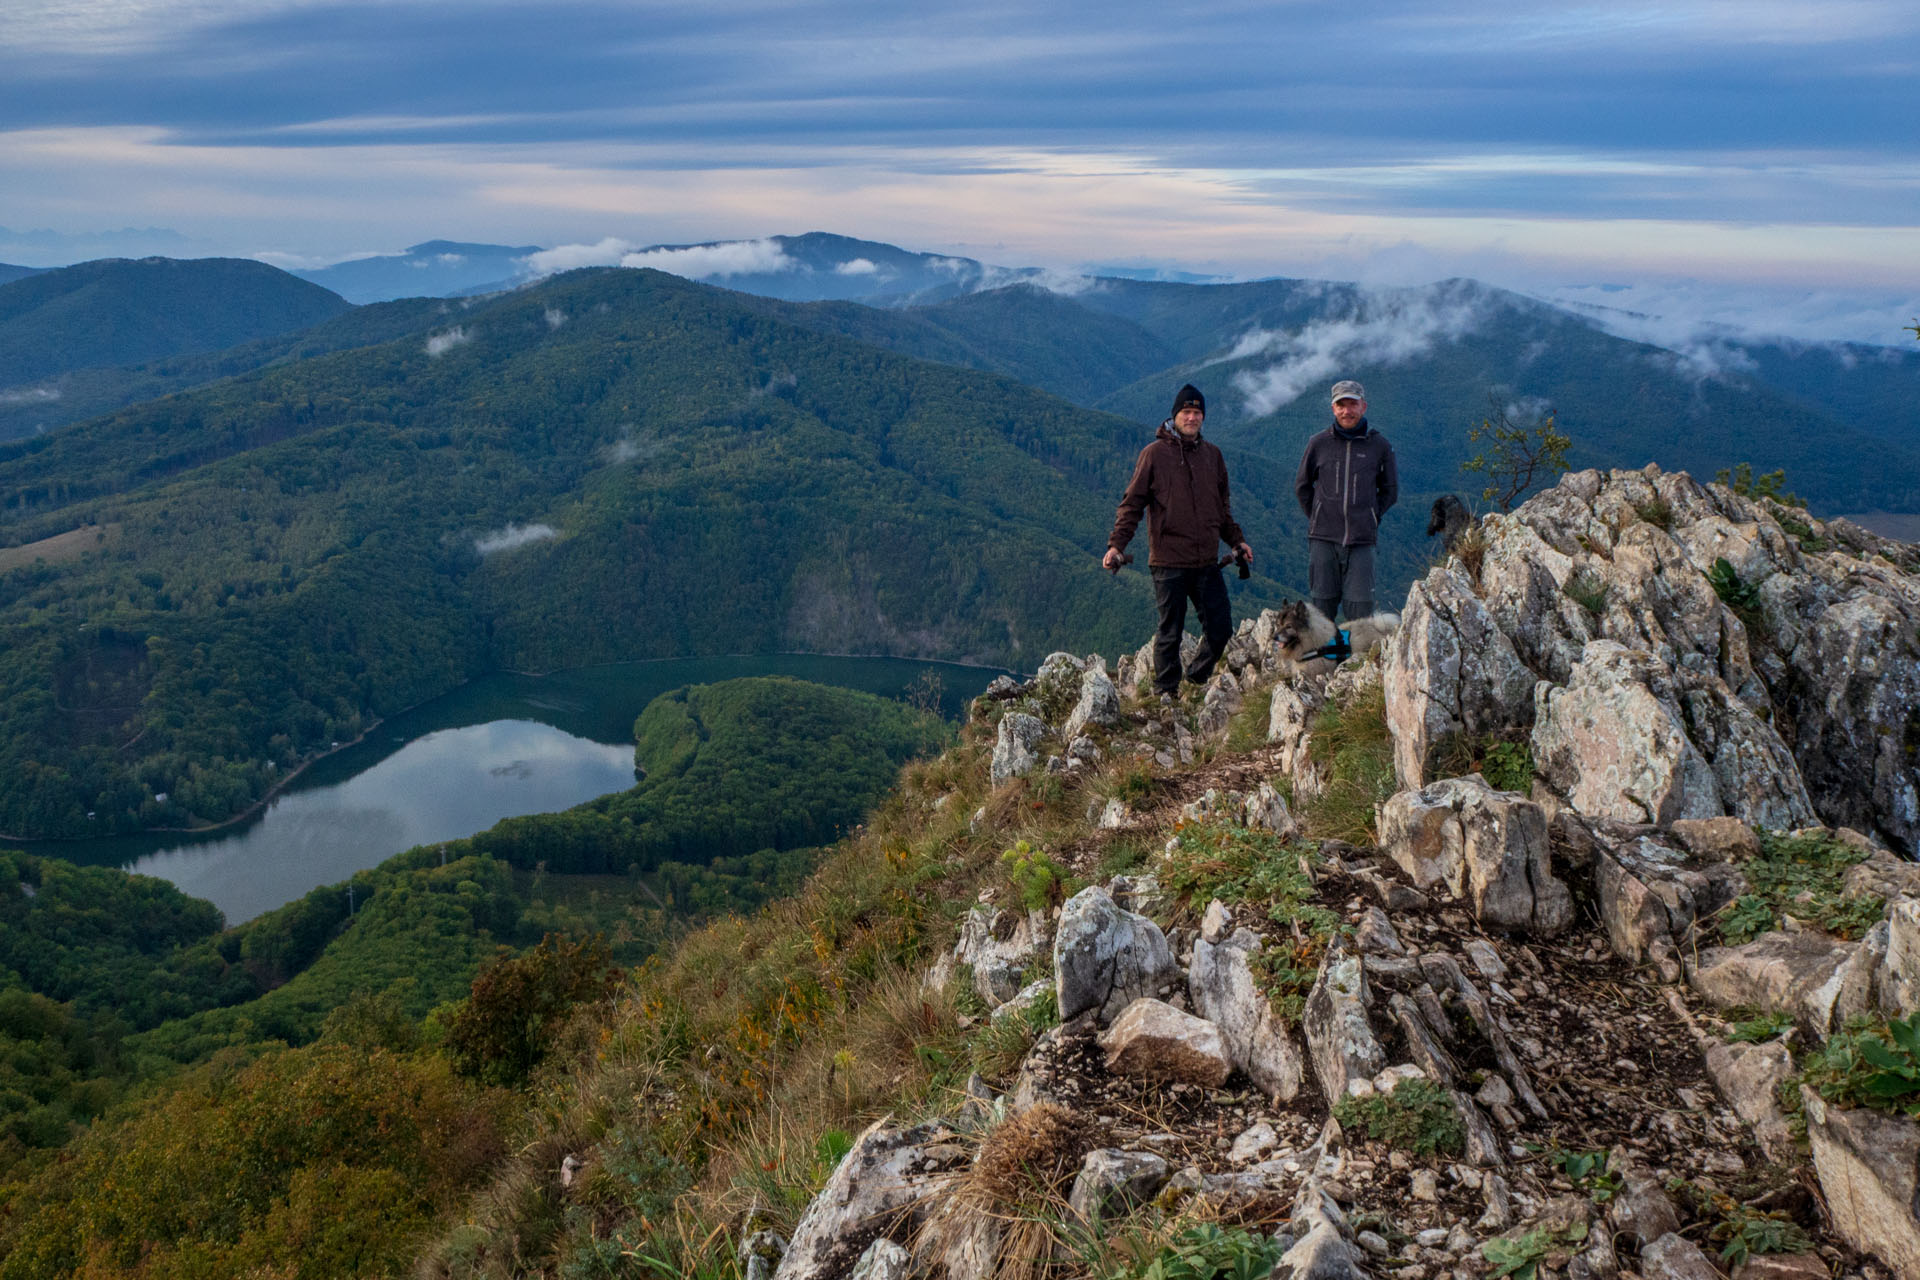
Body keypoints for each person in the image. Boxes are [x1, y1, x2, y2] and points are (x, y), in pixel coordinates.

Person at [1104, 384, 1253, 698]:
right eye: (1186, 412)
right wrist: (1117, 545)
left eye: (1198, 412)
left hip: (1206, 561)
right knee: (1170, 631)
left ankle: (1196, 680)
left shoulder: (1212, 456)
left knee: (1221, 626)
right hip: (1168, 560)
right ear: (1175, 416)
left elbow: (1221, 509)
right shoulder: (1154, 455)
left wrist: (1237, 542)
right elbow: (1132, 504)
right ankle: (1165, 692)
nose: (1192, 417)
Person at [1294, 379, 1397, 622]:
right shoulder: (1318, 443)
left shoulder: (1379, 446)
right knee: (1321, 610)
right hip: (1323, 540)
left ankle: (1357, 661)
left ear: (1364, 406)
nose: (1346, 411)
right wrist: (1318, 515)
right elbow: (1302, 486)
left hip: (1362, 541)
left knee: (1361, 612)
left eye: (1353, 404)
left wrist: (1370, 516)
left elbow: (1390, 491)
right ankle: (1324, 660)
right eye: (1341, 405)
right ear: (1333, 408)